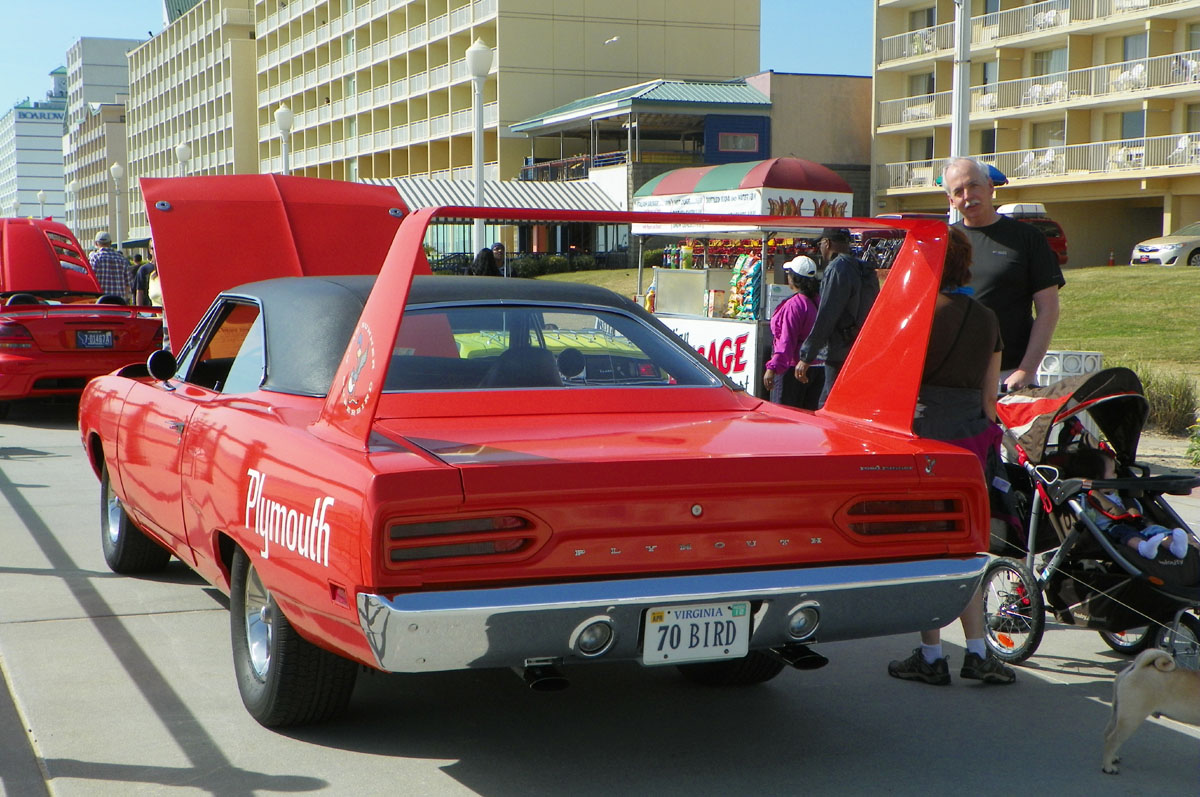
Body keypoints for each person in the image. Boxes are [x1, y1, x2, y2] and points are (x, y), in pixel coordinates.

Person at [887, 226, 1017, 686]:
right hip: (971, 442)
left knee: (928, 544)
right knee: (965, 546)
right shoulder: (987, 318)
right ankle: (979, 651)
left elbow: (894, 386)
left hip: (924, 437)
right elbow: (989, 400)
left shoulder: (919, 314)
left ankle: (932, 653)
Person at [941, 157, 1064, 392]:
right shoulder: (946, 242)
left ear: (990, 187)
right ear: (951, 200)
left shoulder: (1027, 238)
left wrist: (1026, 370)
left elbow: (1048, 309)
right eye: (959, 191)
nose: (968, 196)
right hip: (954, 378)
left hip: (1008, 375)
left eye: (973, 185)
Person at [794, 228, 879, 407]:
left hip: (839, 351)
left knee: (828, 405)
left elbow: (827, 315)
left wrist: (806, 357)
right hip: (862, 350)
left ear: (827, 243)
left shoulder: (837, 269)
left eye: (820, 245)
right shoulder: (864, 269)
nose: (820, 249)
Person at [1067, 447, 1189, 560]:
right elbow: (1085, 516)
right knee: (1126, 533)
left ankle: (1174, 545)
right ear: (1097, 477)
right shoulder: (1088, 498)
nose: (1116, 475)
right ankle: (1143, 547)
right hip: (1111, 530)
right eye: (1113, 472)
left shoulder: (1117, 493)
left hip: (1134, 524)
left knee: (1154, 528)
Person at [763, 255, 823, 409]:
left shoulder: (795, 305)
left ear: (794, 278)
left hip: (792, 370)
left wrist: (773, 368)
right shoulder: (818, 301)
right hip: (817, 368)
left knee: (785, 419)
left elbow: (786, 340)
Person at [134, 241, 158, 306]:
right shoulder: (143, 270)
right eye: (153, 248)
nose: (156, 250)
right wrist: (139, 311)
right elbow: (139, 291)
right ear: (150, 251)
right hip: (148, 310)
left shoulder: (167, 268)